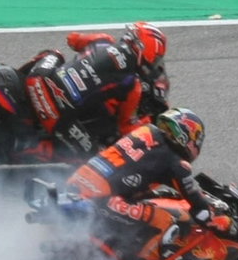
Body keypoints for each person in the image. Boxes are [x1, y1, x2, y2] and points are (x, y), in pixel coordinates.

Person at [64, 107, 236, 260]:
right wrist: (215, 219)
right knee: (165, 219)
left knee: (136, 220)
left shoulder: (144, 133)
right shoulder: (177, 162)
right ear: (188, 137)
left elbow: (133, 171)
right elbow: (198, 204)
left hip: (76, 186)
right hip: (103, 199)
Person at [20, 21, 169, 161]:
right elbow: (125, 127)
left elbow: (73, 39)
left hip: (38, 80)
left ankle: (19, 82)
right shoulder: (132, 84)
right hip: (55, 112)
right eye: (156, 59)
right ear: (144, 52)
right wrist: (146, 125)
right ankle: (29, 151)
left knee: (53, 54)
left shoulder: (102, 40)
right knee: (93, 156)